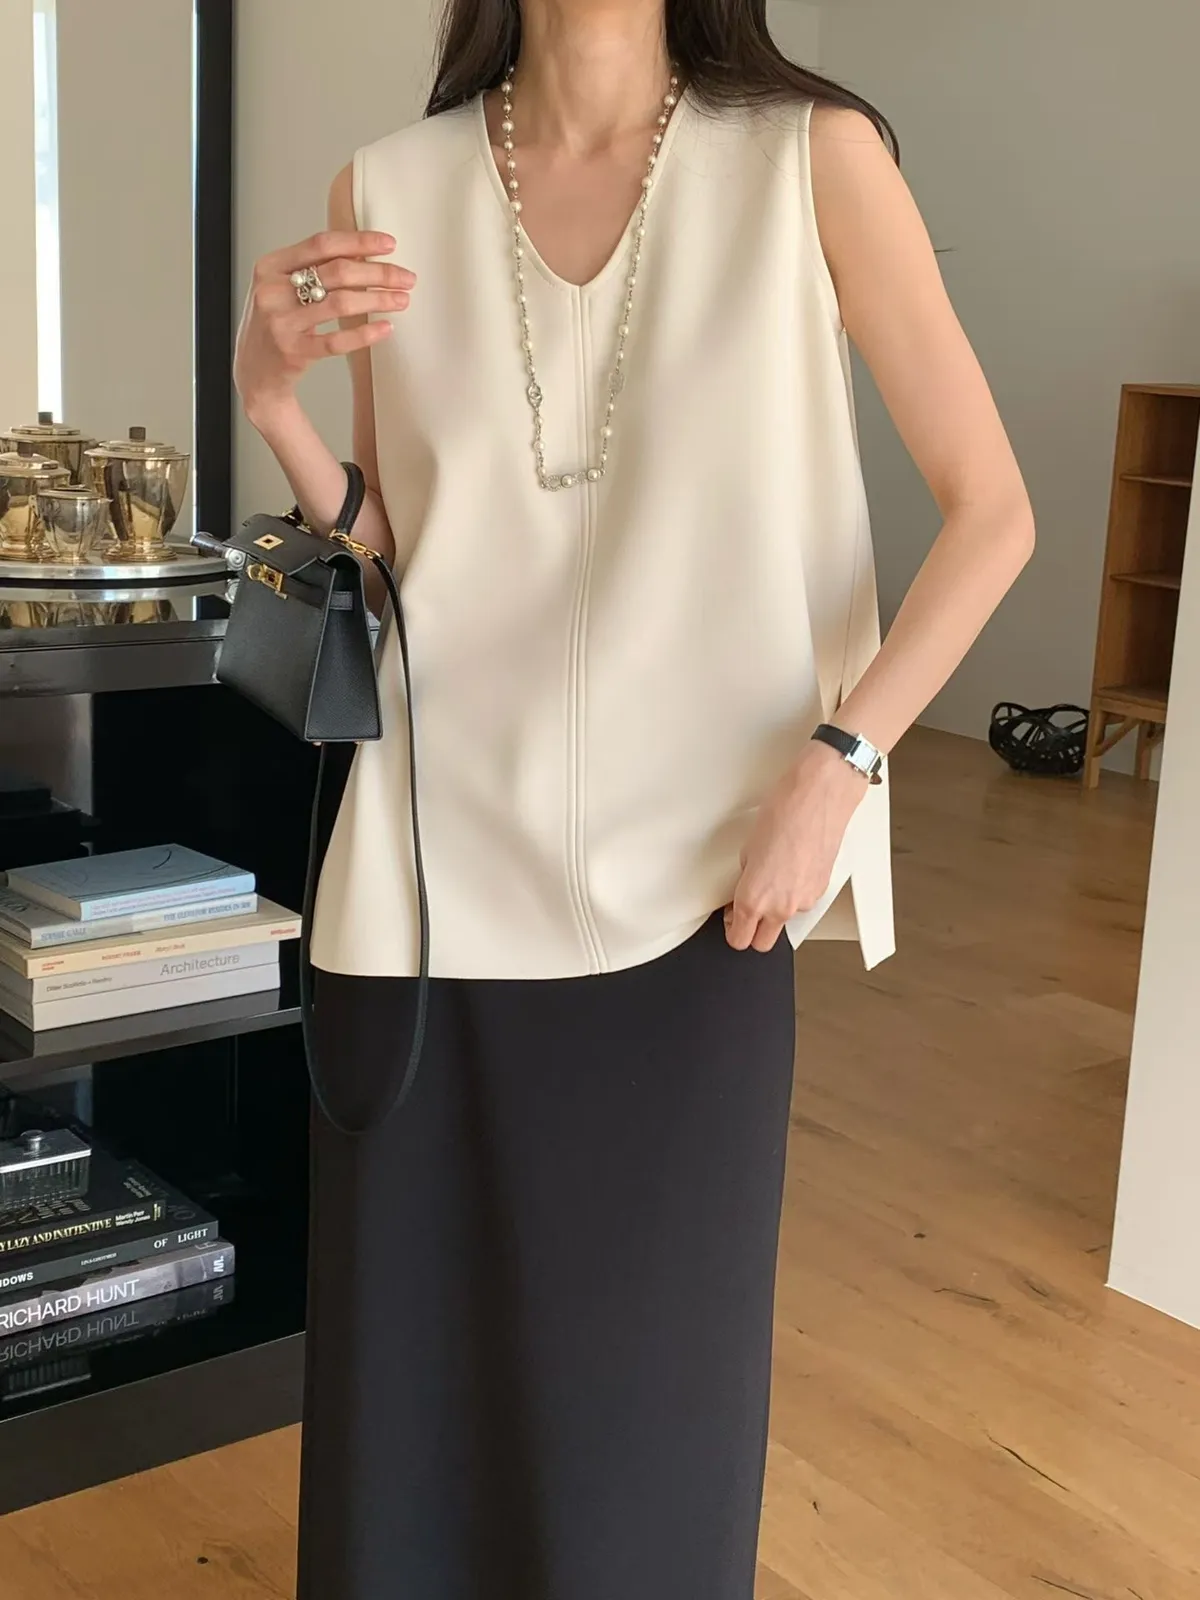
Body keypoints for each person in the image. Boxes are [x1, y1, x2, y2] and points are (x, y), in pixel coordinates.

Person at [232, 0, 1034, 1589]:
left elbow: (992, 511)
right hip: (425, 893)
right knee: (410, 1441)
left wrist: (843, 763)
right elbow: (390, 558)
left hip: (702, 897)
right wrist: (269, 399)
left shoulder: (814, 158)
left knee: (651, 1448)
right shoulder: (388, 186)